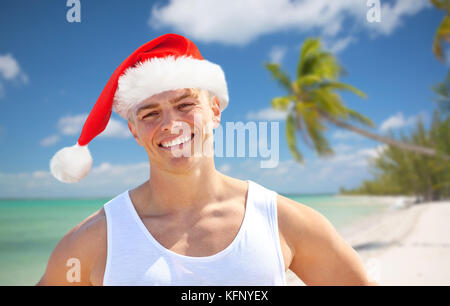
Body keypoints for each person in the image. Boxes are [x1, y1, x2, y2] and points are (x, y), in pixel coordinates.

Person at [37, 33, 375, 286]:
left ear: (214, 111)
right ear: (135, 132)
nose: (171, 125)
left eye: (186, 105)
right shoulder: (96, 238)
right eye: (151, 113)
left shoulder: (281, 220)